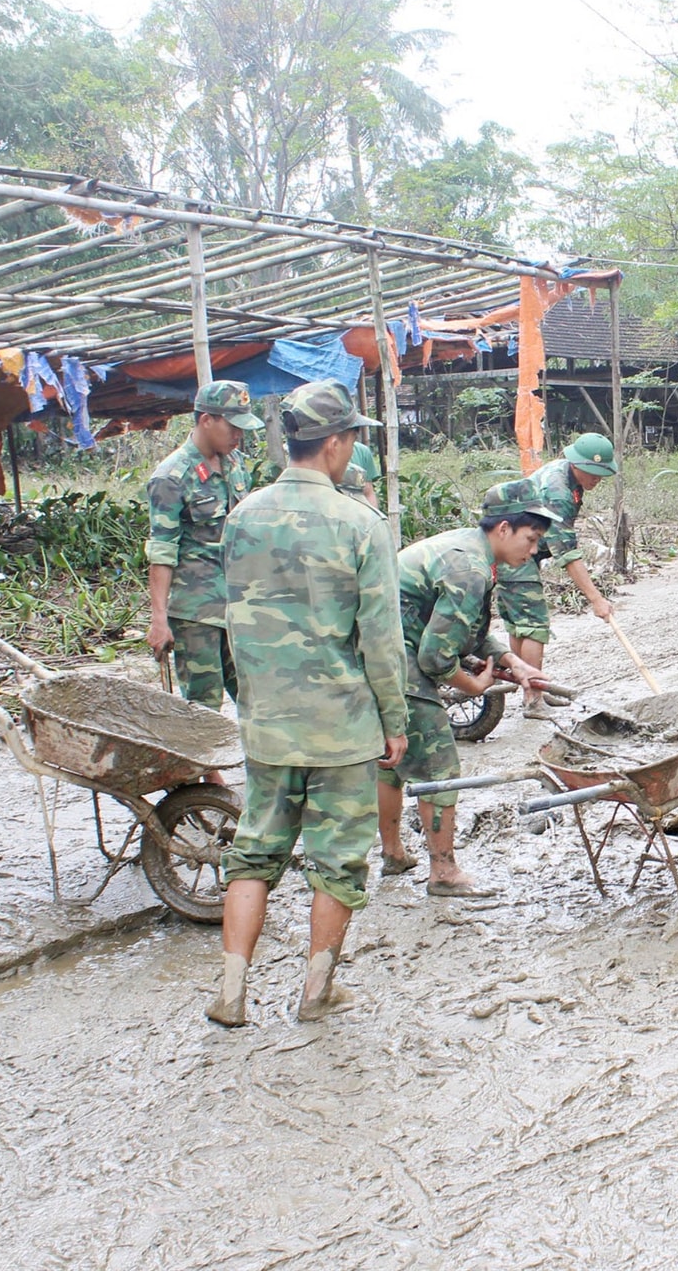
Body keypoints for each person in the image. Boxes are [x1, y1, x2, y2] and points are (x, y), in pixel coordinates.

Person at [206, 379, 408, 1028]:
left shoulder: (241, 516)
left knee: (254, 852)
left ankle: (231, 993)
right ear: (339, 442)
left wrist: (249, 701)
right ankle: (315, 990)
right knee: (338, 859)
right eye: (352, 440)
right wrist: (394, 722)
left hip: (267, 724)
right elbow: (381, 638)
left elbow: (227, 625)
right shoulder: (360, 523)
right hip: (342, 727)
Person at [377, 480, 556, 896]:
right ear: (504, 529)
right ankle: (443, 873)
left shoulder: (467, 548)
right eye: (530, 540)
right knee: (441, 767)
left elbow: (470, 635)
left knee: (389, 759)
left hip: (376, 651)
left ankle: (393, 853)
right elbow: (436, 659)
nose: (532, 552)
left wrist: (513, 662)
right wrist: (475, 685)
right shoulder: (470, 570)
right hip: (397, 658)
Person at [144, 380, 261, 711]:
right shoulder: (171, 477)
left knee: (256, 696)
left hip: (238, 603)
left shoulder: (235, 463)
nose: (239, 435)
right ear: (207, 420)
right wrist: (159, 619)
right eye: (233, 426)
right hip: (196, 611)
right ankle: (202, 766)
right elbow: (162, 551)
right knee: (202, 705)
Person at [493, 433, 619, 719]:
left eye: (602, 474)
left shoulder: (566, 475)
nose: (597, 479)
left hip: (515, 549)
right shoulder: (559, 491)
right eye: (593, 473)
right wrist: (596, 599)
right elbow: (568, 554)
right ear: (576, 463)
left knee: (520, 624)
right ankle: (533, 699)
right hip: (512, 551)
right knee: (534, 624)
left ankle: (530, 687)